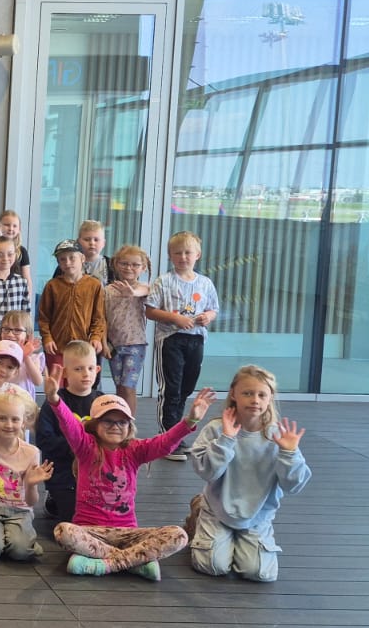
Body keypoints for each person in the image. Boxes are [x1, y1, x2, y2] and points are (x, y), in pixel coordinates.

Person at [45, 366, 214, 580]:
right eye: (108, 420)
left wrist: (190, 421)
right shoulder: (86, 447)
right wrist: (54, 399)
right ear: (95, 424)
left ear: (129, 426)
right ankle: (135, 562)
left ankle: (105, 564)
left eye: (122, 421)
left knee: (178, 535)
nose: (115, 426)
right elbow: (70, 425)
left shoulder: (134, 450)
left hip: (128, 533)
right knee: (64, 531)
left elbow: (164, 443)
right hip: (90, 531)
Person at [186, 365, 310, 582]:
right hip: (218, 509)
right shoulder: (216, 428)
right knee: (212, 565)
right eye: (247, 393)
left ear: (270, 398)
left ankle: (235, 540)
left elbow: (294, 485)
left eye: (262, 395)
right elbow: (207, 472)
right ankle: (200, 514)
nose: (255, 400)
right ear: (233, 394)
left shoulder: (278, 436)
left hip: (257, 515)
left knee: (259, 572)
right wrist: (226, 439)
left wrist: (289, 453)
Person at [146, 230, 220, 458]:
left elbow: (213, 309)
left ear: (198, 255)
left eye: (188, 252)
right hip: (171, 340)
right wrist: (174, 318)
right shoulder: (164, 281)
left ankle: (177, 436)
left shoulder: (205, 283)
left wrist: (208, 316)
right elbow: (150, 310)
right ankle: (167, 438)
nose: (183, 257)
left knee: (186, 388)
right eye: (177, 253)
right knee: (171, 389)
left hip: (196, 339)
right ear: (170, 255)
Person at [0, 389, 51, 561]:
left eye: (15, 419)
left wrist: (31, 484)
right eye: (2, 418)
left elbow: (31, 502)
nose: (9, 424)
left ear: (23, 422)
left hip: (19, 511)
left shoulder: (31, 452)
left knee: (20, 551)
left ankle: (18, 541)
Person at [35, 339, 100, 519]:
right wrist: (77, 446)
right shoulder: (54, 402)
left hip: (95, 474)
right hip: (63, 474)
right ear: (65, 373)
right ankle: (53, 499)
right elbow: (44, 439)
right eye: (78, 369)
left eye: (90, 368)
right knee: (74, 518)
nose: (86, 374)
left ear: (97, 370)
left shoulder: (102, 402)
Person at [37, 239, 105, 371]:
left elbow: (99, 317)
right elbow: (43, 317)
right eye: (62, 259)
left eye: (72, 258)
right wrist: (47, 338)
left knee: (79, 381)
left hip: (83, 348)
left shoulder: (94, 285)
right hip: (56, 347)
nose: (67, 263)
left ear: (82, 258)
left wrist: (96, 336)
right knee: (57, 381)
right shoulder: (52, 286)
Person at [103, 244, 153, 414]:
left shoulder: (145, 289)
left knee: (129, 387)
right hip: (114, 345)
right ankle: (121, 419)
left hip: (135, 345)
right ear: (116, 265)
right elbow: (102, 319)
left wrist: (132, 292)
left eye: (135, 265)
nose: (129, 268)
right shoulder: (108, 291)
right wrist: (104, 342)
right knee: (119, 387)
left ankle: (130, 423)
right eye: (124, 263)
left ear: (143, 268)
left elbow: (144, 290)